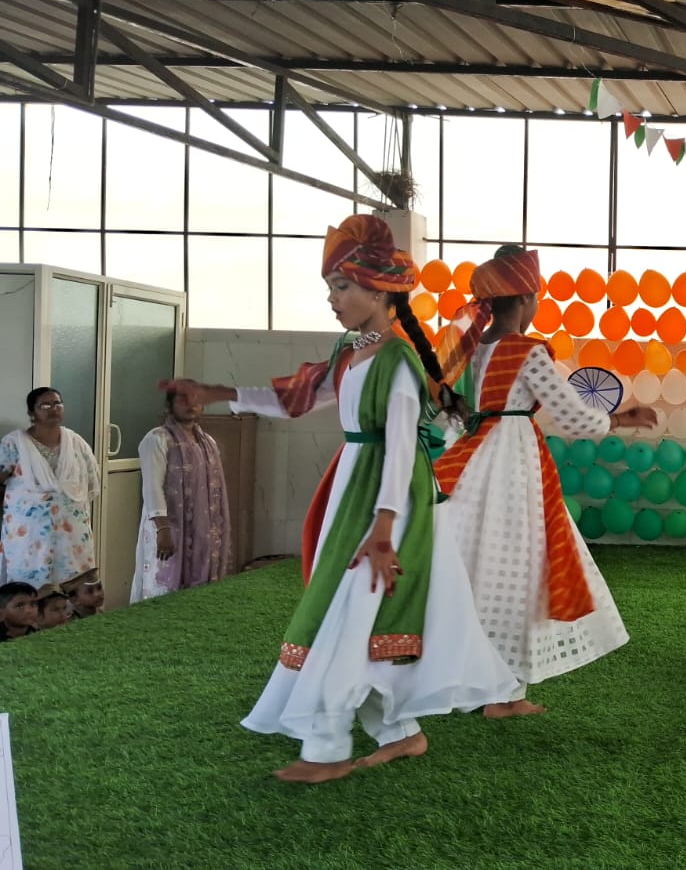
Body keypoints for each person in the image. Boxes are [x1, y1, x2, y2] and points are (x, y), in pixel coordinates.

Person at [161, 214, 520, 784]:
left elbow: (400, 446)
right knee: (351, 614)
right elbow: (298, 398)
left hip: (387, 500)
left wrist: (384, 528)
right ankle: (398, 733)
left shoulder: (397, 360)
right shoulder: (353, 349)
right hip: (357, 491)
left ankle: (325, 750)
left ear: (379, 292)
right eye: (330, 286)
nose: (333, 298)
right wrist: (220, 392)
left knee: (345, 615)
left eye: (342, 286)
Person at [430, 245, 654, 715]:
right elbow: (571, 415)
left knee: (469, 565)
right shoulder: (527, 351)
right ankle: (504, 694)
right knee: (518, 570)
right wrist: (622, 418)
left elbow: (451, 411)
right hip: (512, 463)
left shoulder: (472, 348)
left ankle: (464, 680)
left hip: (470, 457)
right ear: (525, 299)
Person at [130, 389, 233, 603]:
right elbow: (152, 488)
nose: (190, 405)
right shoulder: (157, 439)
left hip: (201, 530)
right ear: (170, 405)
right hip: (168, 528)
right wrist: (163, 529)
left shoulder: (208, 443)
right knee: (164, 585)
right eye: (183, 400)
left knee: (200, 591)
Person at [0, 387, 99, 590]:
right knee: (30, 591)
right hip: (29, 534)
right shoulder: (14, 444)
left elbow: (90, 481)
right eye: (45, 405)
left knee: (77, 589)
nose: (53, 409)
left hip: (72, 533)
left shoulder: (76, 442)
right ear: (31, 412)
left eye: (57, 403)